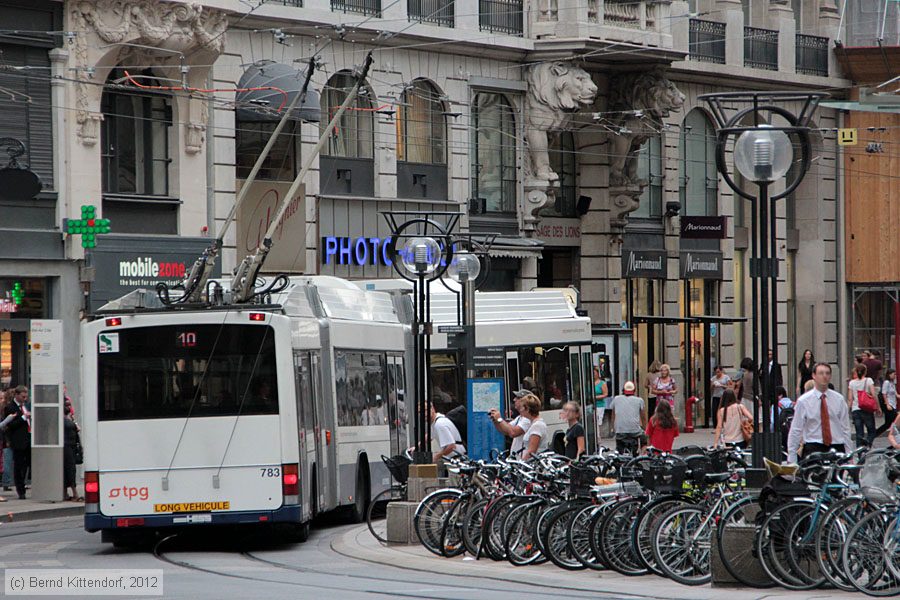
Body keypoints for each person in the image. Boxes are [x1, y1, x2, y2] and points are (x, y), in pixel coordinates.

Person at [787, 362, 853, 464]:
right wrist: (792, 457)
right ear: (814, 376)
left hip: (836, 446)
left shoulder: (839, 399)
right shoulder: (804, 401)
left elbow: (845, 428)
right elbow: (796, 429)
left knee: (835, 479)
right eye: (821, 373)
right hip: (813, 446)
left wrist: (849, 454)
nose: (824, 376)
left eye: (827, 373)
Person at [1, 386, 31, 499]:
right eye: (23, 396)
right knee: (19, 465)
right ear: (17, 395)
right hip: (18, 440)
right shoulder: (11, 407)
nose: (25, 398)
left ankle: (24, 482)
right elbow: (11, 425)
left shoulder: (25, 406)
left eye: (26, 396)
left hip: (28, 438)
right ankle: (20, 489)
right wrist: (23, 417)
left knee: (27, 464)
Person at [488, 391, 532, 456]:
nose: (514, 400)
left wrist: (499, 419)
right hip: (517, 458)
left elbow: (513, 433)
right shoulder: (520, 417)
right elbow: (505, 430)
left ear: (524, 402)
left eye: (517, 398)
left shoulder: (527, 419)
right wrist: (495, 420)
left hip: (523, 459)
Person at [608, 381, 646, 456]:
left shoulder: (616, 399)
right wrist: (644, 429)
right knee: (644, 440)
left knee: (619, 450)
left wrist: (613, 428)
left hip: (620, 431)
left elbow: (613, 415)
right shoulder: (639, 400)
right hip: (635, 432)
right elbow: (643, 417)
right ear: (634, 391)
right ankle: (643, 453)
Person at [848, 363, 880, 447]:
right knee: (872, 431)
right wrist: (878, 407)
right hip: (867, 409)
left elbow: (850, 398)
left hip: (856, 409)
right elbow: (874, 394)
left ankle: (860, 456)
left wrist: (849, 409)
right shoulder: (868, 380)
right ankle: (868, 443)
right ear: (865, 372)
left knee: (859, 433)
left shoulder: (852, 383)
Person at [63, 401, 82, 502]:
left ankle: (65, 493)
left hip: (63, 449)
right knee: (70, 471)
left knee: (63, 471)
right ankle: (75, 493)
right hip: (70, 449)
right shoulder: (70, 423)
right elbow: (76, 431)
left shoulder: (60, 423)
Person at [520, 395, 547, 460]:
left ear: (527, 409)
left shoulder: (537, 426)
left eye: (522, 407)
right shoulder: (534, 423)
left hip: (533, 465)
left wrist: (522, 463)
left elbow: (531, 451)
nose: (520, 410)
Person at [876, 369, 897, 438]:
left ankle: (874, 435)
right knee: (896, 421)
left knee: (887, 424)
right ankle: (895, 439)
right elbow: (884, 394)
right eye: (894, 374)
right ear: (889, 374)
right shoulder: (886, 382)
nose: (895, 376)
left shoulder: (892, 383)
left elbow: (896, 394)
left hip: (893, 405)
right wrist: (887, 404)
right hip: (888, 405)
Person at [738, 358, 757, 423]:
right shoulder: (752, 375)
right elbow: (757, 388)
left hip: (744, 397)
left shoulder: (744, 375)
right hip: (751, 398)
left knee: (745, 417)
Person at [592, 367, 609, 440]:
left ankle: (598, 436)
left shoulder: (602, 383)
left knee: (598, 421)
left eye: (594, 373)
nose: (593, 375)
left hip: (599, 405)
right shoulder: (589, 382)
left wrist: (596, 397)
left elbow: (605, 394)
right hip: (591, 405)